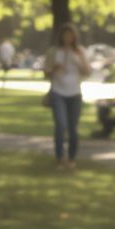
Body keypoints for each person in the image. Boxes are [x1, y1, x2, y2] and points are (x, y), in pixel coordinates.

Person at [43, 23, 91, 168]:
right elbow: (46, 73)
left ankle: (71, 158)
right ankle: (59, 157)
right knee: (60, 124)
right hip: (58, 91)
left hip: (75, 92)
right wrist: (54, 68)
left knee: (73, 128)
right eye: (65, 34)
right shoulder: (54, 51)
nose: (68, 37)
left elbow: (87, 72)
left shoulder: (80, 51)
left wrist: (81, 58)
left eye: (70, 35)